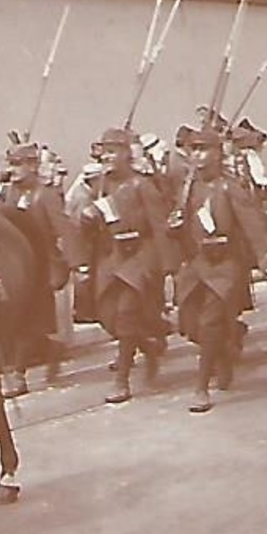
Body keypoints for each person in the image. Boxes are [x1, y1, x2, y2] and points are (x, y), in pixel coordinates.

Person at [167, 127, 267, 413]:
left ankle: (201, 386)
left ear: (217, 153)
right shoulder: (188, 189)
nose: (197, 156)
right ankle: (223, 351)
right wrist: (173, 227)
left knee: (210, 322)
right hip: (196, 265)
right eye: (193, 150)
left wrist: (265, 260)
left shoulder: (230, 188)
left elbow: (253, 228)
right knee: (189, 324)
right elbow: (179, 223)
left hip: (224, 267)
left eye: (204, 150)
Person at [74, 126, 175, 404]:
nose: (107, 157)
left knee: (126, 312)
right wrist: (87, 220)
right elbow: (92, 228)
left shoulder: (143, 185)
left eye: (113, 151)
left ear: (126, 153)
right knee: (108, 315)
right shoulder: (101, 187)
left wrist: (164, 267)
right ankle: (148, 344)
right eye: (104, 152)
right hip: (110, 258)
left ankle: (122, 381)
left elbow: (158, 226)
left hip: (138, 256)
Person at [0, 139, 71, 396]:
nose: (12, 170)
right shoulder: (8, 194)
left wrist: (72, 263)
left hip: (41, 265)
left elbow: (63, 230)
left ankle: (18, 375)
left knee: (26, 321)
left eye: (17, 165)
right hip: (15, 265)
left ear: (33, 166)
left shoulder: (45, 195)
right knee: (16, 319)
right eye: (10, 164)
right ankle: (48, 349)